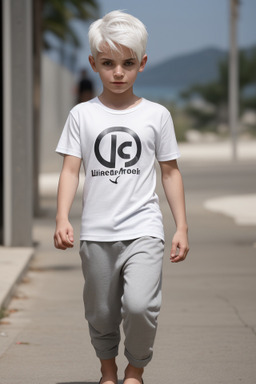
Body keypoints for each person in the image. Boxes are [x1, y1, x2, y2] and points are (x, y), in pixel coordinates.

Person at [54, 10, 189, 384]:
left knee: (140, 305)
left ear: (142, 64)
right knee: (100, 312)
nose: (118, 72)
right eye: (108, 63)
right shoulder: (81, 115)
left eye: (128, 63)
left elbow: (170, 172)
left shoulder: (157, 116)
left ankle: (135, 369)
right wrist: (62, 217)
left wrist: (181, 227)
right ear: (93, 63)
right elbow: (69, 170)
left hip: (144, 228)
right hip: (97, 233)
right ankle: (107, 368)